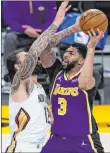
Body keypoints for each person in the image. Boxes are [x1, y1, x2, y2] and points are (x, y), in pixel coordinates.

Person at [4, 2, 71, 152]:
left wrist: (73, 29)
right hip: (24, 149)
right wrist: (56, 22)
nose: (33, 58)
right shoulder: (18, 84)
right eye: (26, 57)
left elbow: (47, 44)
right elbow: (35, 50)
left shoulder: (36, 86)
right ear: (17, 66)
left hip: (41, 146)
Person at [39, 22, 104, 153]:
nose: (66, 55)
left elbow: (84, 84)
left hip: (84, 138)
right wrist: (70, 30)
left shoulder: (92, 74)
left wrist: (91, 47)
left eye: (72, 53)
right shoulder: (57, 71)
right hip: (57, 137)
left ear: (81, 61)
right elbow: (43, 46)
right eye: (67, 51)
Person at [2, 1, 57, 93]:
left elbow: (53, 20)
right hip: (20, 33)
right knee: (9, 39)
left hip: (42, 33)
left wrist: (41, 32)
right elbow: (10, 20)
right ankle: (9, 80)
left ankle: (54, 80)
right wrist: (25, 29)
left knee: (54, 41)